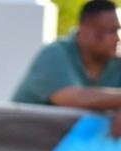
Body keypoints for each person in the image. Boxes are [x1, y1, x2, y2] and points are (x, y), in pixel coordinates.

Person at [13, 0, 121, 137]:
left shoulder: (116, 62)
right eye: (111, 31)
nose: (117, 38)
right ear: (86, 30)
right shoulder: (55, 53)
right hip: (25, 145)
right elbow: (73, 98)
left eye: (118, 31)